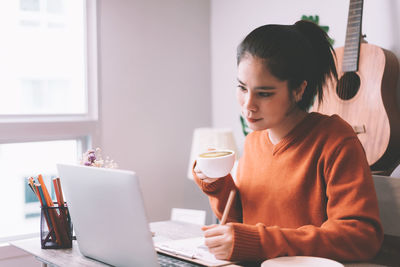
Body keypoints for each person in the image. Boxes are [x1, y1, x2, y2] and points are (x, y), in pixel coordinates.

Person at [192, 20, 383, 263]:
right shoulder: (254, 142)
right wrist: (217, 184)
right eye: (242, 87)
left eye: (264, 93)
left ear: (298, 90)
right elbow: (241, 227)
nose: (248, 105)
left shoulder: (334, 139)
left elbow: (360, 237)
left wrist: (257, 242)